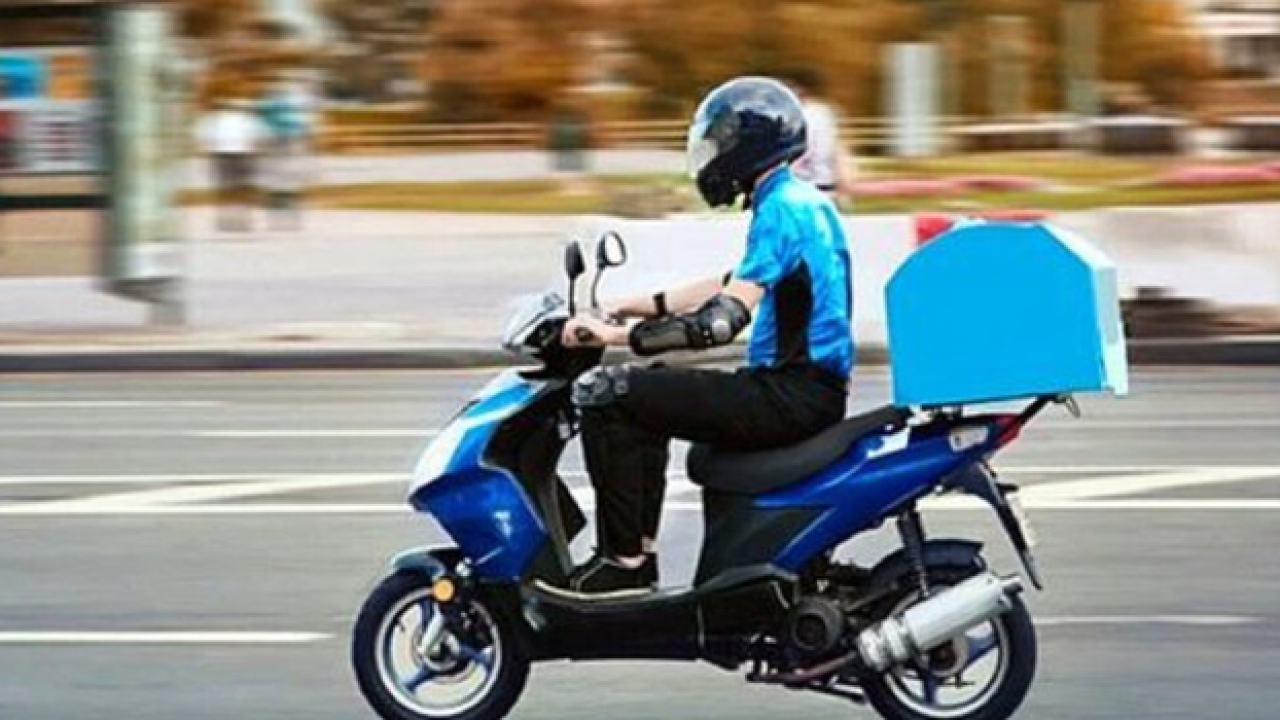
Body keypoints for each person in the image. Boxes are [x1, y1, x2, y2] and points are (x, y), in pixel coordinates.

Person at [560, 77, 855, 597]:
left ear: (749, 145)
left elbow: (718, 322)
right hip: (802, 390)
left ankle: (625, 565)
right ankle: (638, 556)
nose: (712, 157)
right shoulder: (797, 200)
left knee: (609, 393)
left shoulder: (782, 209)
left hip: (790, 394)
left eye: (720, 143)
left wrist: (616, 335)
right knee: (648, 393)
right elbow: (728, 282)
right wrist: (632, 303)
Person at [195, 99, 267, 233]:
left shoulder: (213, 119)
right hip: (241, 154)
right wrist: (256, 150)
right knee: (241, 187)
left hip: (223, 154)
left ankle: (226, 219)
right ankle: (241, 219)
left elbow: (202, 137)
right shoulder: (246, 119)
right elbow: (260, 136)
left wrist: (206, 150)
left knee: (225, 187)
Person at [789, 74, 856, 200]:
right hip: (825, 187)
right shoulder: (825, 112)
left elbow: (800, 153)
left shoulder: (800, 114)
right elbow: (839, 150)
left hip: (804, 187)